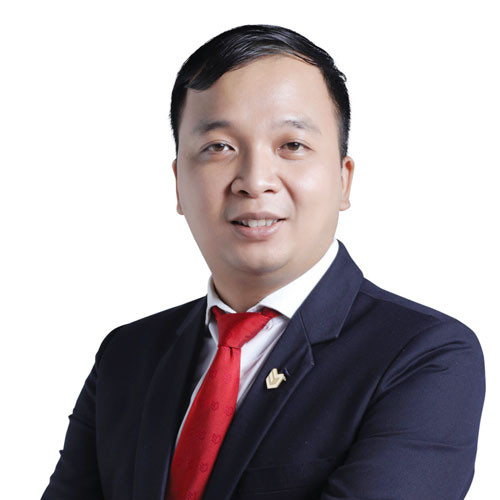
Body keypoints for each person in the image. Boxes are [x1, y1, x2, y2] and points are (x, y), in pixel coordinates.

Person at [41, 24, 485, 500]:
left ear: (343, 179)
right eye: (218, 147)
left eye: (292, 145)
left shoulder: (425, 357)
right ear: (178, 184)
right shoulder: (127, 356)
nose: (254, 181)